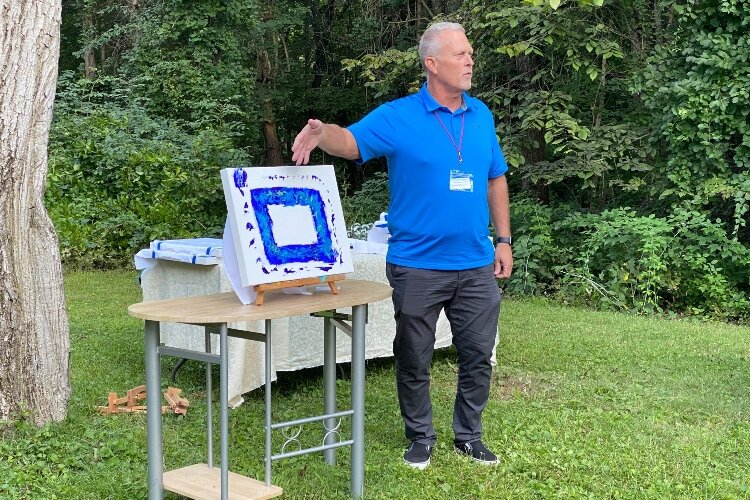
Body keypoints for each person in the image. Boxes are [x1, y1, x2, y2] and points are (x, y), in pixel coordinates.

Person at [291, 21, 513, 470]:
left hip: (475, 262)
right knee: (414, 355)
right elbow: (352, 142)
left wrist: (504, 239)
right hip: (417, 265)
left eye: (470, 53)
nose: (470, 60)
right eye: (460, 54)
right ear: (432, 64)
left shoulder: (482, 115)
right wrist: (322, 133)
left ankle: (468, 435)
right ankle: (420, 437)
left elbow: (495, 177)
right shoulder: (399, 116)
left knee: (478, 354)